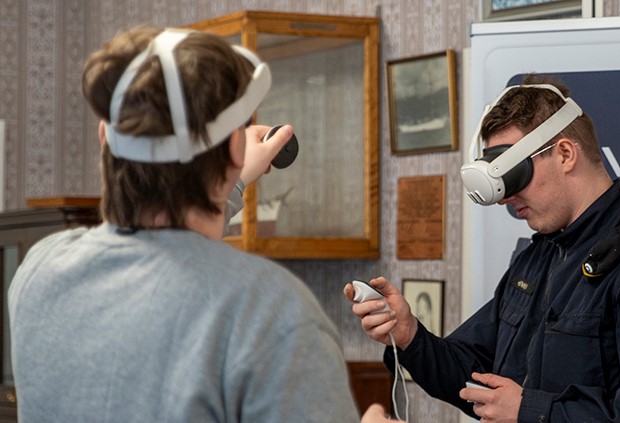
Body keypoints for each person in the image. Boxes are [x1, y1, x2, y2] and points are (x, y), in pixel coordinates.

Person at [9, 26, 396, 423]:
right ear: (233, 148)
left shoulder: (40, 271)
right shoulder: (270, 308)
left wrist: (233, 175)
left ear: (104, 137)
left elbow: (172, 248)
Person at [345, 74, 620, 422]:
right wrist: (409, 335)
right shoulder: (537, 258)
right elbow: (474, 374)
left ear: (566, 154)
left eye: (513, 175)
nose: (507, 199)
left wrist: (531, 411)